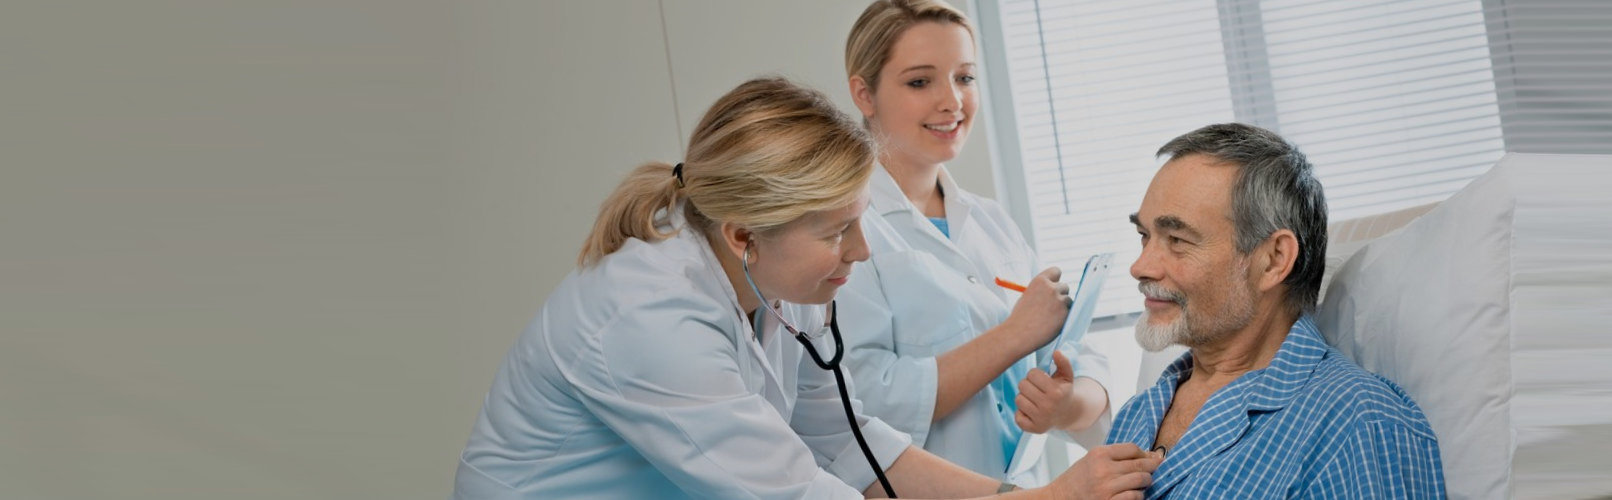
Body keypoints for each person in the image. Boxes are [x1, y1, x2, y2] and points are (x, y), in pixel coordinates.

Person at [451, 77, 1159, 499]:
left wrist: (1022, 497)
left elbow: (850, 442)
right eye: (836, 232)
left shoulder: (781, 288)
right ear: (741, 233)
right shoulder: (648, 319)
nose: (861, 250)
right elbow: (796, 490)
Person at [836, 0, 1114, 482]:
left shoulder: (991, 222)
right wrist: (1013, 336)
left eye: (964, 77)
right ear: (864, 93)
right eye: (920, 81)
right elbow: (867, 403)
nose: (952, 101)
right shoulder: (847, 229)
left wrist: (1066, 404)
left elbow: (1074, 357)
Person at [1109, 124, 1445, 498]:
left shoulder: (1355, 421)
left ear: (1273, 260)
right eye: (1145, 236)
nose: (1140, 266)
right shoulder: (1138, 414)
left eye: (1177, 240)